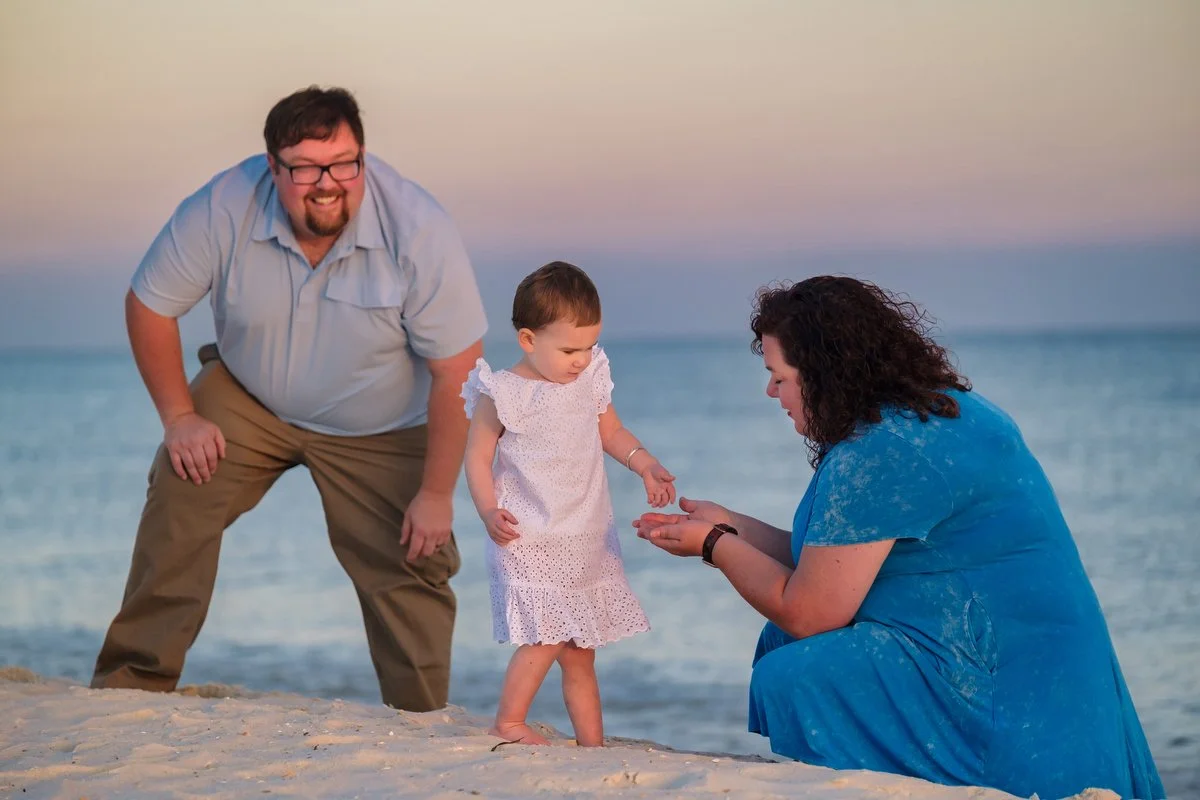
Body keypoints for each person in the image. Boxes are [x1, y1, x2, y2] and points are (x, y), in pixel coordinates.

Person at [634, 277, 1164, 799]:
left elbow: (810, 612)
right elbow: (834, 561)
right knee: (786, 644)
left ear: (823, 373)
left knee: (796, 669)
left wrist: (714, 545)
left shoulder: (883, 449)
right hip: (1030, 650)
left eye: (779, 377)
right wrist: (731, 524)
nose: (771, 392)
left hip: (1006, 681)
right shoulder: (936, 410)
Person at [90, 86, 488, 712]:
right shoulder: (223, 205)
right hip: (251, 400)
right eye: (304, 168)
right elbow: (149, 305)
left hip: (383, 427)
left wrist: (437, 493)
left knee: (415, 556)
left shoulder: (418, 228)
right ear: (272, 167)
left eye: (343, 164)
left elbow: (458, 371)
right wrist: (180, 416)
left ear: (363, 158)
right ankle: (129, 690)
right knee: (179, 489)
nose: (326, 184)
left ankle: (419, 723)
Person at [461, 261, 675, 747]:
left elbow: (611, 432)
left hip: (584, 535)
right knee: (546, 637)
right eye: (569, 350)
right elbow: (476, 457)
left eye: (589, 346)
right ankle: (508, 722)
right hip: (529, 535)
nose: (581, 360)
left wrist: (645, 465)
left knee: (582, 650)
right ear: (528, 340)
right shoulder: (504, 392)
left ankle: (591, 745)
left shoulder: (589, 378)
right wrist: (488, 510)